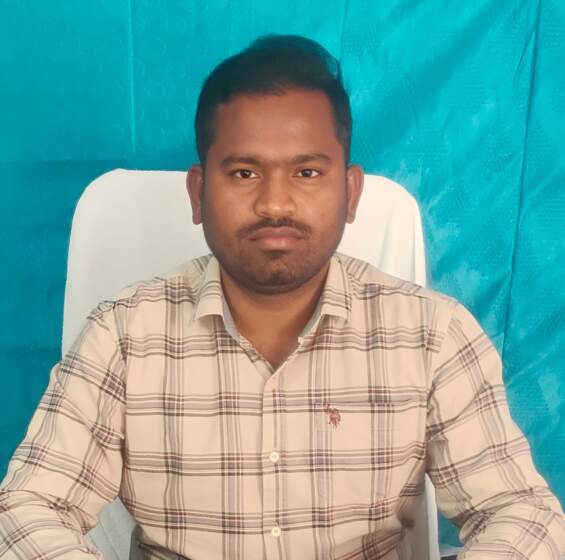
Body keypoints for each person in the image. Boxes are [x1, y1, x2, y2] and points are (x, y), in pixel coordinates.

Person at [0, 34, 564, 560]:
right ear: (198, 192)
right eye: (244, 173)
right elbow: (25, 510)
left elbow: (522, 515)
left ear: (350, 192)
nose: (275, 203)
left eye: (307, 172)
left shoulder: (431, 335)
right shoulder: (123, 336)